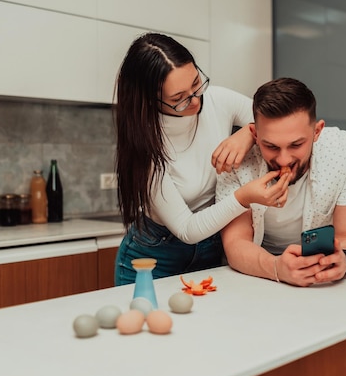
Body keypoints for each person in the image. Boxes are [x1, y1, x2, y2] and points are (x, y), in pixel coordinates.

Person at [114, 33, 286, 285]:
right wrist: (243, 198)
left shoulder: (217, 99)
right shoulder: (146, 145)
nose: (196, 100)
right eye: (179, 98)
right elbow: (187, 229)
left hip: (213, 249)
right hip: (154, 258)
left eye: (196, 83)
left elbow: (272, 122)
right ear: (150, 99)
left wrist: (247, 135)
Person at [217, 77, 346, 287]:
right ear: (254, 133)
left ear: (317, 131)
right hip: (254, 277)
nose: (283, 159)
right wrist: (276, 268)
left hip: (320, 281)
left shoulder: (345, 151)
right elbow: (236, 243)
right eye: (270, 146)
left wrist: (345, 259)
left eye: (296, 145)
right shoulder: (235, 161)